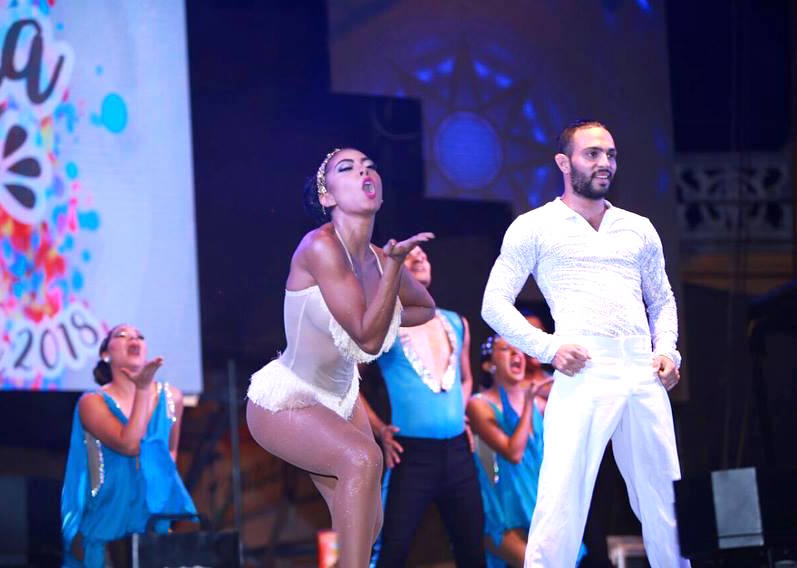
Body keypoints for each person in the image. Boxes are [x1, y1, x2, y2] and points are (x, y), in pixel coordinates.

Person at [481, 120, 690, 567]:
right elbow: (493, 303)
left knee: (667, 500)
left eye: (610, 155)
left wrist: (668, 351)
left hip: (640, 369)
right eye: (592, 154)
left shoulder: (638, 227)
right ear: (564, 162)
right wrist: (548, 348)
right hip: (583, 369)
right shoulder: (534, 226)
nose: (604, 163)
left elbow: (663, 300)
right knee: (561, 501)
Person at [245, 148, 436, 567]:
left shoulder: (382, 260)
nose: (364, 171)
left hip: (342, 399)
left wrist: (389, 281)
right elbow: (367, 339)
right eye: (347, 169)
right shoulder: (319, 246)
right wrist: (391, 277)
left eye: (369, 165)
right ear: (328, 197)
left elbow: (426, 309)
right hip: (287, 400)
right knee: (363, 458)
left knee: (370, 523)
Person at [362, 245, 485, 567]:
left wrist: (459, 414)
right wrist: (380, 430)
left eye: (424, 255)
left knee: (472, 551)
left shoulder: (456, 322)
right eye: (409, 256)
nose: (419, 258)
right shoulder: (383, 324)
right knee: (392, 552)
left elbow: (466, 378)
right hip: (411, 456)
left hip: (458, 454)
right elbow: (348, 383)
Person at [61, 324, 196, 568]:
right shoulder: (91, 403)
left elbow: (171, 450)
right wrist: (143, 389)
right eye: (122, 336)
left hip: (153, 525)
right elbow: (130, 444)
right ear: (105, 354)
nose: (133, 340)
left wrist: (160, 491)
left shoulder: (172, 398)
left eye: (139, 336)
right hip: (108, 523)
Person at [469, 335, 587, 568]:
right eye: (506, 350)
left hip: (537, 505)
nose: (517, 355)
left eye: (519, 351)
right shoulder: (478, 404)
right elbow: (513, 452)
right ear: (488, 364)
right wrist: (528, 403)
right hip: (501, 511)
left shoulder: (541, 405)